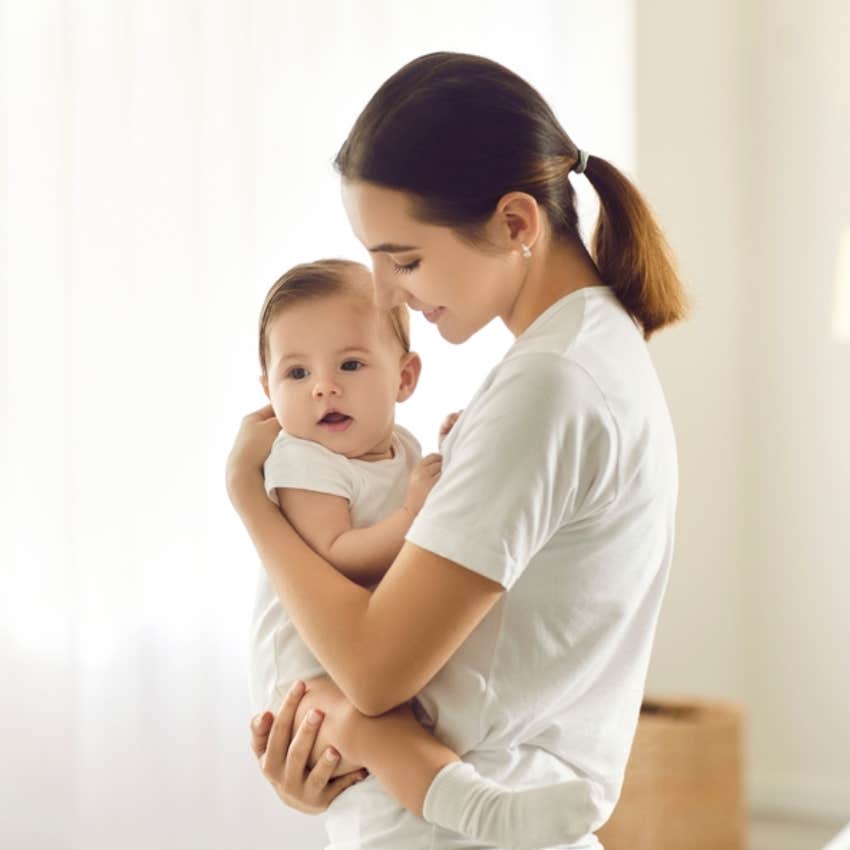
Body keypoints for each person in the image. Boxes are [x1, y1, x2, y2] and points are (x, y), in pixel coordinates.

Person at [227, 51, 687, 850]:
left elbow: (374, 669)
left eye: (403, 259)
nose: (384, 294)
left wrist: (248, 500)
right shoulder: (588, 353)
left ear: (516, 223)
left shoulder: (554, 382)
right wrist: (323, 756)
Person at [249, 257, 599, 849]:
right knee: (375, 728)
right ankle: (484, 812)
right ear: (268, 392)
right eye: (297, 372)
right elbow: (338, 554)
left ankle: (487, 808)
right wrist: (415, 514)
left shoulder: (399, 449)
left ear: (405, 378)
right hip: (307, 670)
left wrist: (457, 451)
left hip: (353, 651)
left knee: (392, 729)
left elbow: (435, 525)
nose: (323, 387)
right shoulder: (301, 461)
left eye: (351, 364)